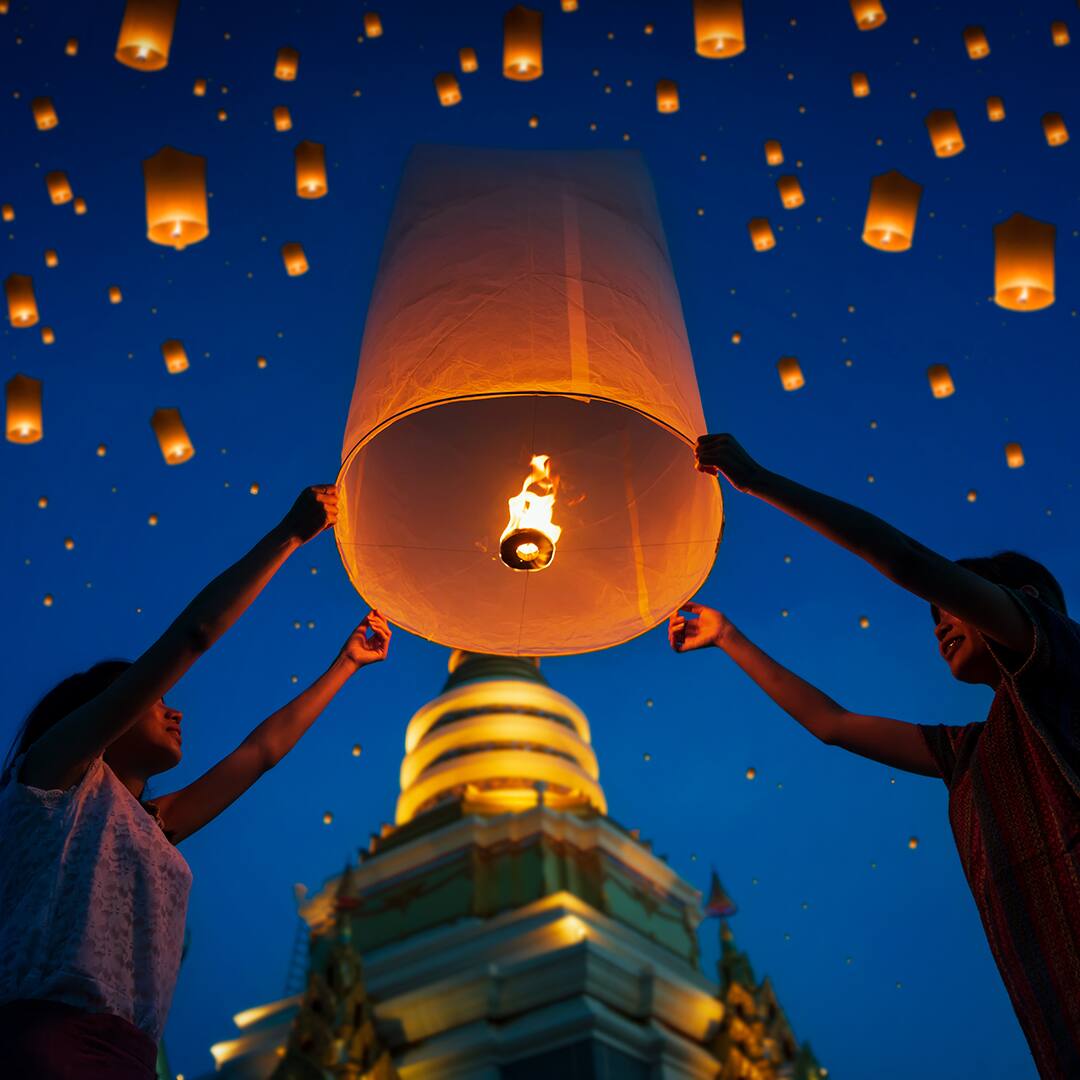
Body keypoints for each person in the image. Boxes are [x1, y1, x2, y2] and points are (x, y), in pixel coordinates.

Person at [670, 433, 1080, 1079]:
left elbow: (907, 560)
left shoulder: (1057, 663)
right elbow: (832, 724)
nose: (940, 624)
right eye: (936, 616)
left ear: (1023, 601)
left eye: (955, 605)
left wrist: (758, 481)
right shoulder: (971, 753)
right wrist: (728, 636)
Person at [0, 484, 391, 1079]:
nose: (175, 710)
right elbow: (195, 635)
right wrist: (288, 535)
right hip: (49, 1047)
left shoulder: (150, 825)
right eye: (158, 699)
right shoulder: (54, 780)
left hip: (129, 1057)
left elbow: (260, 753)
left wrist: (346, 664)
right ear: (111, 712)